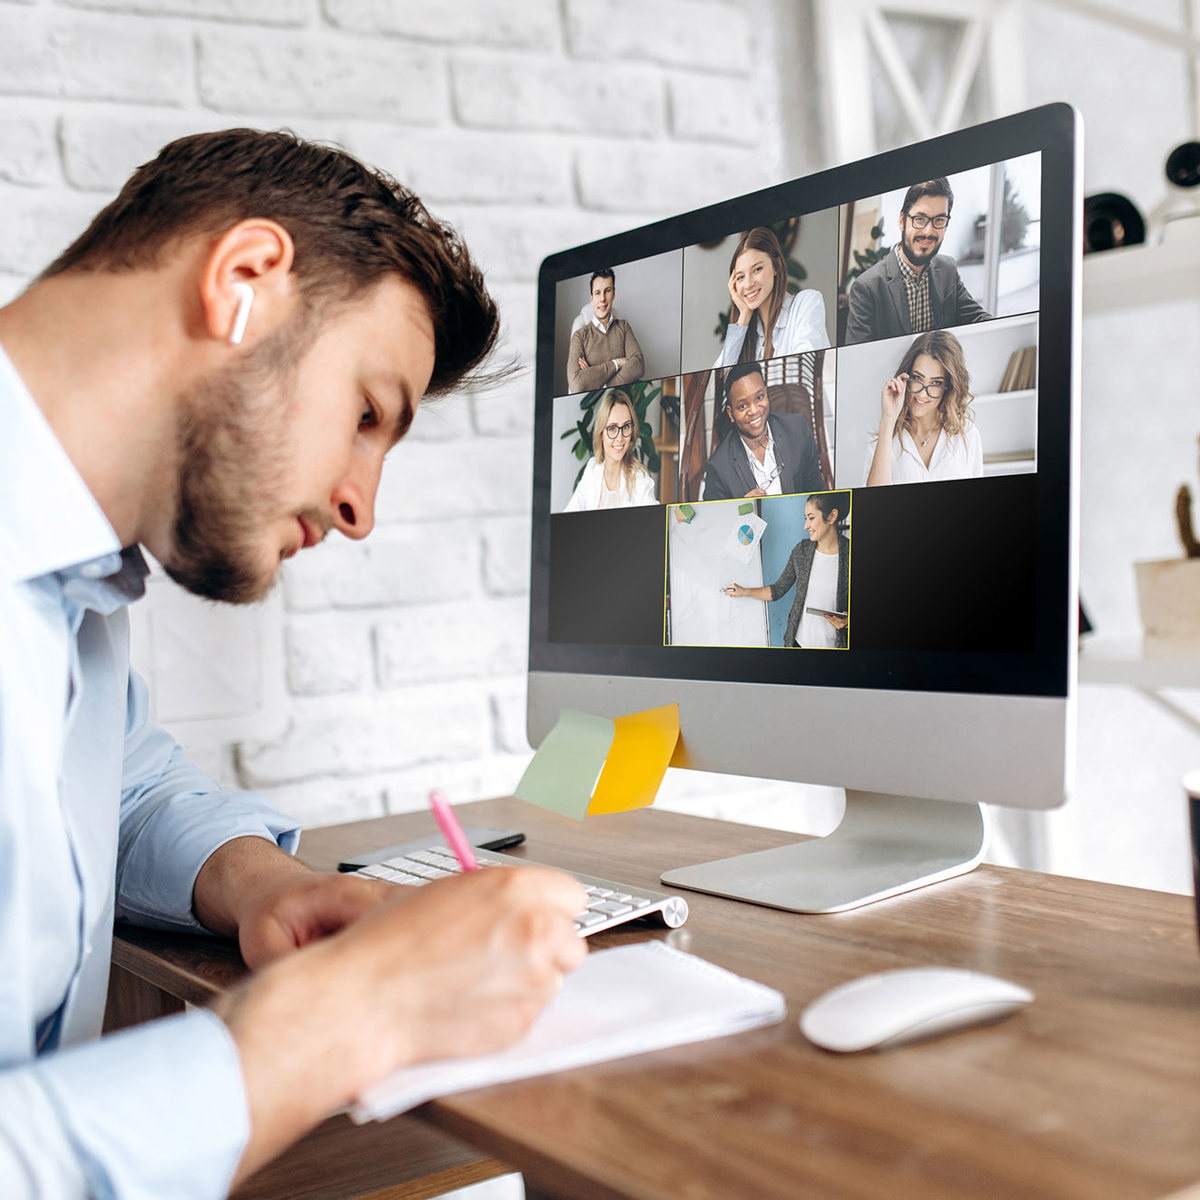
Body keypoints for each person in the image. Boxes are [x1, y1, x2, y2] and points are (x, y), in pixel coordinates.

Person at [0, 128, 588, 1199]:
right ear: (244, 282)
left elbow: (113, 778)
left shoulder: (63, 589)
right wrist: (352, 1014)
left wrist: (257, 880)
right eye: (368, 413)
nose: (361, 507)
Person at [844, 178, 991, 345]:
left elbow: (977, 318)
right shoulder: (867, 287)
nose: (929, 231)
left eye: (939, 220)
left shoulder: (948, 269)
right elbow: (857, 358)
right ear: (902, 220)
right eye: (920, 219)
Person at [722, 492, 850, 649]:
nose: (806, 526)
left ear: (831, 517)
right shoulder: (802, 551)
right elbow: (778, 590)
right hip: (797, 644)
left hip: (835, 649)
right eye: (806, 519)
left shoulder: (850, 555)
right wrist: (743, 591)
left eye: (811, 518)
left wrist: (847, 621)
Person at [865, 329, 983, 486]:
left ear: (949, 386)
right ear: (906, 377)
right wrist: (888, 419)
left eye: (936, 383)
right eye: (917, 378)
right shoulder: (884, 439)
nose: (922, 393)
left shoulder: (967, 434)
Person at [701, 361, 825, 501]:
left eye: (759, 398)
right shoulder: (718, 468)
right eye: (742, 406)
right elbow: (716, 519)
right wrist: (742, 509)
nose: (754, 411)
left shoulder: (797, 429)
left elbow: (818, 493)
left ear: (766, 394)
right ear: (731, 414)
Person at [714, 226, 830, 368]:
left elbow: (804, 369)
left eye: (757, 269)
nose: (748, 283)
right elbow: (717, 385)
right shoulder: (749, 332)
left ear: (776, 266)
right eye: (740, 277)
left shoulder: (807, 303)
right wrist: (743, 318)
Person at [563, 389, 656, 511]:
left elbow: (655, 521)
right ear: (601, 433)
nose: (620, 438)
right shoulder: (592, 469)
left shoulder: (640, 480)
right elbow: (569, 515)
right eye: (612, 428)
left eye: (626, 427)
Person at [566, 268, 645, 394]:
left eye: (607, 291)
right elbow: (577, 384)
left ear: (613, 294)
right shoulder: (580, 336)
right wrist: (617, 363)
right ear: (592, 298)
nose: (602, 299)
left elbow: (638, 365)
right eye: (597, 293)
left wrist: (598, 382)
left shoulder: (624, 327)